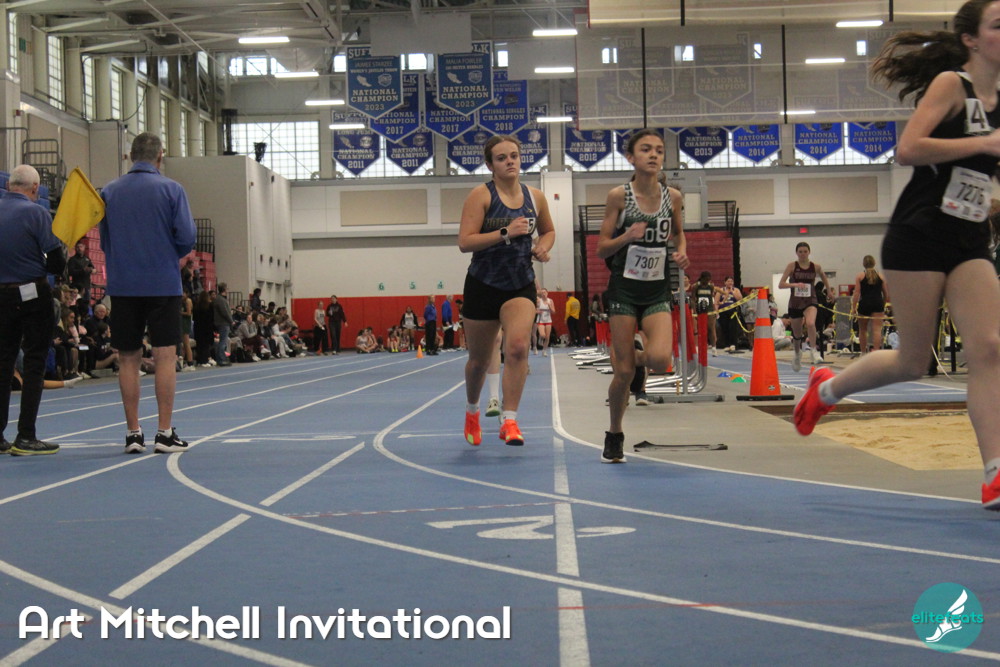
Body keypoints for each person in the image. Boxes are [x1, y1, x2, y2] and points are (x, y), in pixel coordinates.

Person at [794, 0, 1000, 512]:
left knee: (991, 349)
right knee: (914, 360)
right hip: (919, 234)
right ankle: (826, 389)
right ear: (972, 39)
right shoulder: (953, 85)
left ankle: (995, 473)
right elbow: (908, 149)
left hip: (970, 236)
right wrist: (984, 144)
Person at [99, 132, 196, 454]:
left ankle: (132, 433)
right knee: (165, 355)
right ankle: (164, 432)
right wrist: (168, 254)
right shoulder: (172, 189)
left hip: (124, 284)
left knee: (128, 358)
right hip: (162, 282)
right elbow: (187, 237)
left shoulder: (110, 191)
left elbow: (104, 239)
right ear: (160, 156)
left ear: (130, 156)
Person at [596, 129, 688, 464]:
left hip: (656, 288)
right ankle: (615, 433)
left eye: (659, 150)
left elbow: (679, 234)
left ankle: (631, 355)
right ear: (631, 157)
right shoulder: (618, 196)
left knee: (660, 360)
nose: (654, 155)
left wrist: (681, 252)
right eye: (646, 149)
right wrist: (627, 236)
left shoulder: (672, 197)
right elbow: (601, 248)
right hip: (623, 289)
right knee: (622, 375)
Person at [458, 134, 555, 447]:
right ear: (490, 165)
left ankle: (509, 419)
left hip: (520, 283)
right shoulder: (481, 196)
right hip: (483, 284)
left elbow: (549, 231)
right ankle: (472, 411)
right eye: (501, 158)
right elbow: (465, 242)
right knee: (479, 361)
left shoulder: (535, 197)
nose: (510, 161)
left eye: (514, 155)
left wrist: (543, 246)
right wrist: (504, 232)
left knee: (517, 348)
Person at [0, 165, 66, 456]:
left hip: (1, 295)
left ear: (9, 185)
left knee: (3, 363)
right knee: (35, 361)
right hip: (32, 293)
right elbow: (56, 262)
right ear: (35, 188)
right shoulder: (37, 213)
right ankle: (26, 435)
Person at [778, 242, 834, 372]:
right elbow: (781, 284)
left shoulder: (816, 267)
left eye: (805, 251)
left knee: (810, 323)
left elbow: (824, 277)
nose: (803, 254)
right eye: (800, 252)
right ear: (796, 253)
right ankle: (797, 354)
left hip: (810, 300)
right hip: (795, 302)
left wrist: (829, 292)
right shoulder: (792, 266)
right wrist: (795, 285)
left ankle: (813, 351)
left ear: (809, 252)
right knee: (797, 334)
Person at [851, 255, 890, 353]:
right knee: (877, 330)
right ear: (874, 263)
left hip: (865, 304)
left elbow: (856, 293)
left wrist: (853, 308)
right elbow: (886, 293)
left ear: (863, 264)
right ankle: (876, 352)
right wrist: (883, 304)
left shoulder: (860, 276)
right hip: (878, 303)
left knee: (862, 330)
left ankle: (863, 353)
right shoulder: (881, 276)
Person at [691, 271, 718, 355]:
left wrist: (714, 310)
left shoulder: (711, 286)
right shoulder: (696, 286)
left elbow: (712, 299)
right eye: (706, 280)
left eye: (709, 280)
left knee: (711, 328)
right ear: (702, 279)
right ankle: (700, 346)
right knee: (700, 329)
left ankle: (714, 347)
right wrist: (694, 311)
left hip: (709, 309)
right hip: (699, 309)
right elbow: (693, 299)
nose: (707, 282)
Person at [67, 240, 96, 314]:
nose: (79, 248)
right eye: (78, 247)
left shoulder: (87, 259)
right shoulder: (72, 260)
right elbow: (70, 272)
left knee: (86, 305)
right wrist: (82, 270)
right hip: (77, 287)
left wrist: (92, 270)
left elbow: (93, 269)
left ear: (84, 247)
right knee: (78, 304)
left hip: (87, 286)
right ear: (75, 248)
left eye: (81, 247)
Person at [716, 276, 742, 352]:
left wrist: (732, 292)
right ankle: (726, 344)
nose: (730, 283)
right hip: (723, 312)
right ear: (725, 282)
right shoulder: (721, 290)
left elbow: (740, 299)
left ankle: (733, 344)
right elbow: (716, 302)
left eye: (731, 281)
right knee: (725, 327)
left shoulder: (736, 290)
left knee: (733, 327)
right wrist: (716, 312)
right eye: (728, 281)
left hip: (733, 311)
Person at [213, 283, 234, 366]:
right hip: (223, 323)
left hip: (221, 322)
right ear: (224, 289)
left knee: (222, 341)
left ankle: (220, 359)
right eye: (227, 288)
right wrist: (231, 320)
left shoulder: (219, 299)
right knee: (223, 342)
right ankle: (221, 359)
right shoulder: (221, 300)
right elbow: (225, 312)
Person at [535, 287, 555, 356]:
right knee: (542, 335)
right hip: (540, 320)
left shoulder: (550, 301)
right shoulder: (538, 301)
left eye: (544, 292)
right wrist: (537, 311)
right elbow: (534, 309)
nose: (543, 294)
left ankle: (544, 350)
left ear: (547, 293)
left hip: (548, 320)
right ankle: (540, 339)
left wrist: (550, 307)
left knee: (547, 337)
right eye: (542, 293)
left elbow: (553, 311)